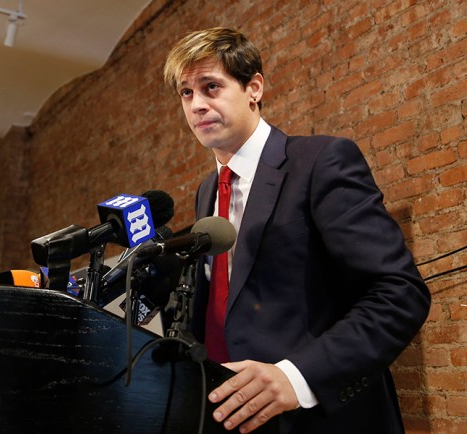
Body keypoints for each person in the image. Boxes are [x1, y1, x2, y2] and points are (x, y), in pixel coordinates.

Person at [162, 27, 430, 433]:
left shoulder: (321, 162)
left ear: (254, 87)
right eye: (186, 93)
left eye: (211, 87)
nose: (197, 105)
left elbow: (399, 293)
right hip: (228, 414)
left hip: (318, 417)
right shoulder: (206, 192)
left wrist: (297, 376)